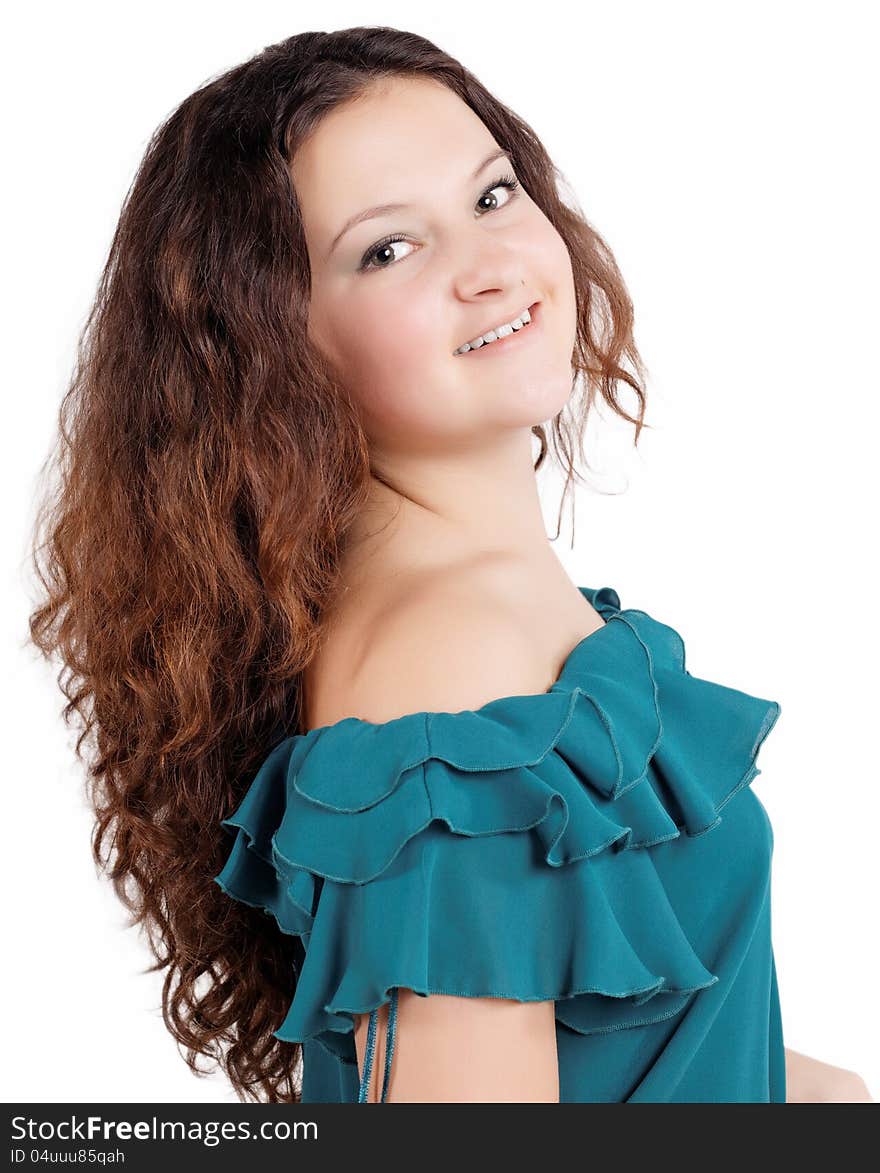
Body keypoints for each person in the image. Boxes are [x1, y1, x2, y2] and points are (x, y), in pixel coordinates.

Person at [28, 26, 873, 1104]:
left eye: (491, 195)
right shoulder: (449, 665)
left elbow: (625, 1048)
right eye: (387, 249)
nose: (490, 268)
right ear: (275, 349)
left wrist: (821, 1098)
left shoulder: (481, 612)